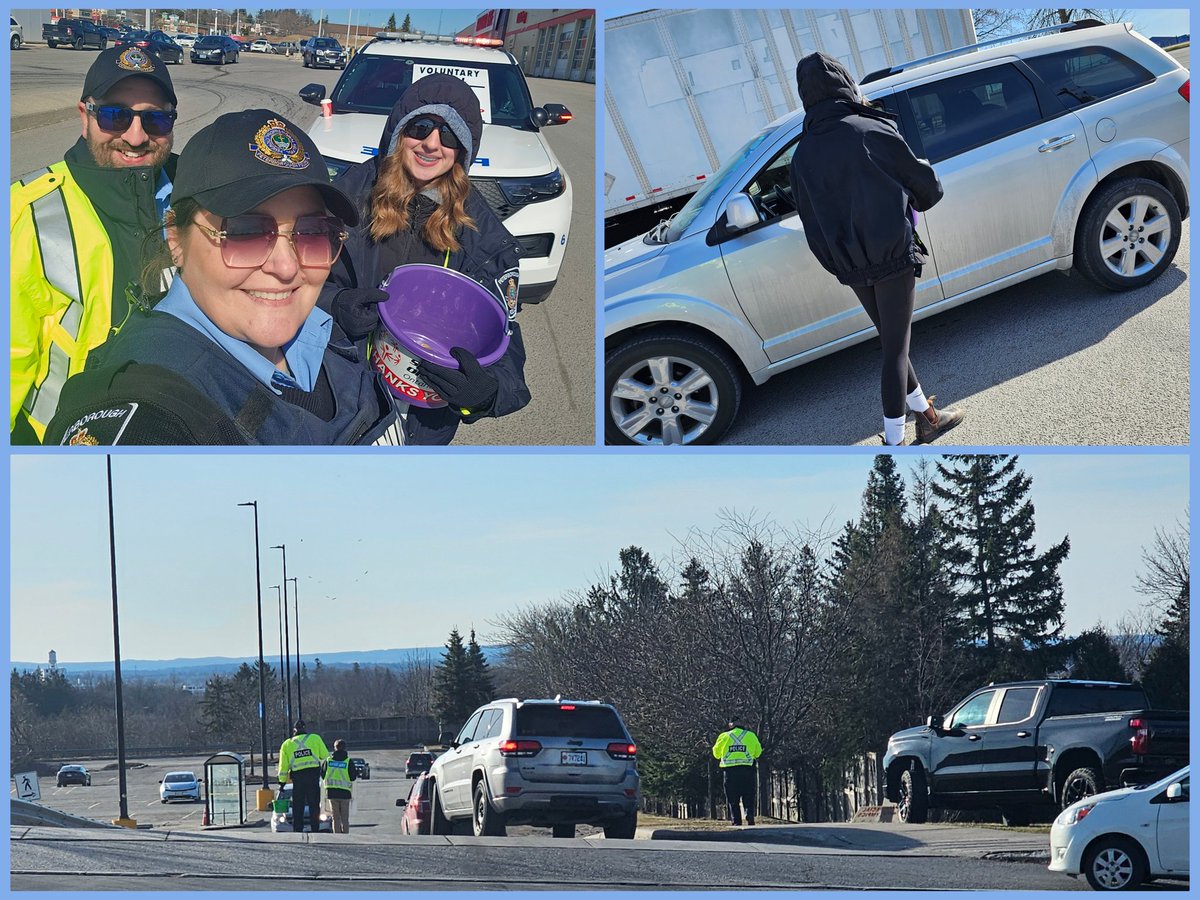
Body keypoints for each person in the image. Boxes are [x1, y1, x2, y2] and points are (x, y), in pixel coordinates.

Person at [43, 109, 400, 446]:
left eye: (312, 232)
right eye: (245, 231)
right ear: (175, 239)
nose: (287, 267)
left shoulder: (318, 330)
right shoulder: (148, 408)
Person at [323, 73, 531, 445]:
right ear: (398, 133)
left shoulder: (483, 237)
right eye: (420, 127)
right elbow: (287, 283)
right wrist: (334, 306)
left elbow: (503, 337)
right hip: (338, 397)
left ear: (462, 150)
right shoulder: (345, 201)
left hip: (420, 423)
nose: (431, 144)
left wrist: (485, 394)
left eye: (449, 135)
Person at [788, 52, 964, 447]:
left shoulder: (801, 155)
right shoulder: (869, 128)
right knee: (894, 351)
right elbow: (928, 188)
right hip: (892, 255)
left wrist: (838, 263)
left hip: (851, 265)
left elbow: (811, 224)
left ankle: (928, 419)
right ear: (844, 83)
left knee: (892, 342)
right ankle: (894, 445)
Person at [10, 46, 178, 444]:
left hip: (174, 430)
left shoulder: (197, 195)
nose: (136, 137)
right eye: (114, 116)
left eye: (155, 119)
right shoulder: (25, 211)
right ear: (84, 117)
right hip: (62, 442)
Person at [278, 720, 330, 833]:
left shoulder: (287, 744)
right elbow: (325, 756)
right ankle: (315, 828)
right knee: (314, 805)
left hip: (298, 778)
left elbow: (283, 766)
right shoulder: (315, 738)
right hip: (313, 777)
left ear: (294, 730)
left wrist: (282, 783)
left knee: (298, 806)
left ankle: (298, 830)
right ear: (305, 728)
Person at [712, 718, 762, 826]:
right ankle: (749, 814)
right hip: (747, 770)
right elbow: (758, 752)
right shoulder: (751, 735)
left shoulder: (724, 736)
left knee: (732, 798)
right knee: (748, 795)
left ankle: (736, 820)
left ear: (730, 725)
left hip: (730, 772)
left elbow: (716, 754)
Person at [321, 739, 356, 833]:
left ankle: (337, 836)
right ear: (344, 748)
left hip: (332, 793)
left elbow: (323, 775)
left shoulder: (328, 761)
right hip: (345, 793)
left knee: (335, 817)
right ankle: (345, 835)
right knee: (345, 818)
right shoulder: (348, 762)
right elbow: (353, 777)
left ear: (335, 748)